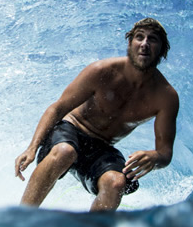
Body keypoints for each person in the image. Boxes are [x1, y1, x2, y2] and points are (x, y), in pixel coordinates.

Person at [14, 18, 179, 212]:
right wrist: (32, 148)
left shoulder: (166, 97)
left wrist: (155, 157)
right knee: (65, 151)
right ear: (130, 43)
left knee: (116, 182)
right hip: (70, 130)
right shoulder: (102, 71)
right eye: (139, 37)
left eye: (152, 39)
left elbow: (165, 153)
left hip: (101, 147)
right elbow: (57, 108)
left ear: (162, 50)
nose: (144, 44)